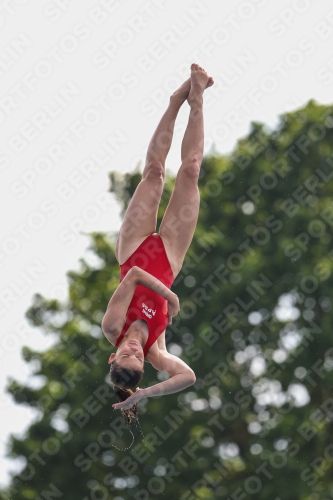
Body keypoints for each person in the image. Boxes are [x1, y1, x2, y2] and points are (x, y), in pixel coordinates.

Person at [101, 64, 214, 422]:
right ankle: (196, 100)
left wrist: (169, 296)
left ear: (113, 356)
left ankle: (175, 101)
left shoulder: (113, 328)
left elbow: (133, 274)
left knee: (154, 172)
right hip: (168, 257)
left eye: (125, 355)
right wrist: (145, 394)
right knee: (192, 170)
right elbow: (188, 376)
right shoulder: (157, 351)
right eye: (136, 358)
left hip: (135, 249)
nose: (134, 350)